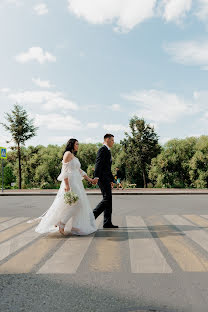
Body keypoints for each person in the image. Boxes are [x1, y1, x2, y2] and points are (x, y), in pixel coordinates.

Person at [34, 139, 99, 236]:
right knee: (78, 203)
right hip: (71, 181)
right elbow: (64, 171)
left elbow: (79, 170)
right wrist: (67, 185)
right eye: (77, 144)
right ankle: (62, 223)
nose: (78, 145)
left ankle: (70, 225)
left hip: (77, 182)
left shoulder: (73, 156)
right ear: (72, 144)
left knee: (74, 204)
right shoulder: (67, 154)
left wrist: (90, 179)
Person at [93, 134, 119, 228]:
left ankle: (107, 222)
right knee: (107, 199)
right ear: (107, 140)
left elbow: (107, 168)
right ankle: (92, 216)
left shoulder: (107, 150)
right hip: (102, 178)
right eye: (112, 140)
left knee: (109, 200)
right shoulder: (103, 149)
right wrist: (96, 176)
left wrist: (111, 180)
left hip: (106, 178)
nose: (113, 142)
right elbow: (98, 164)